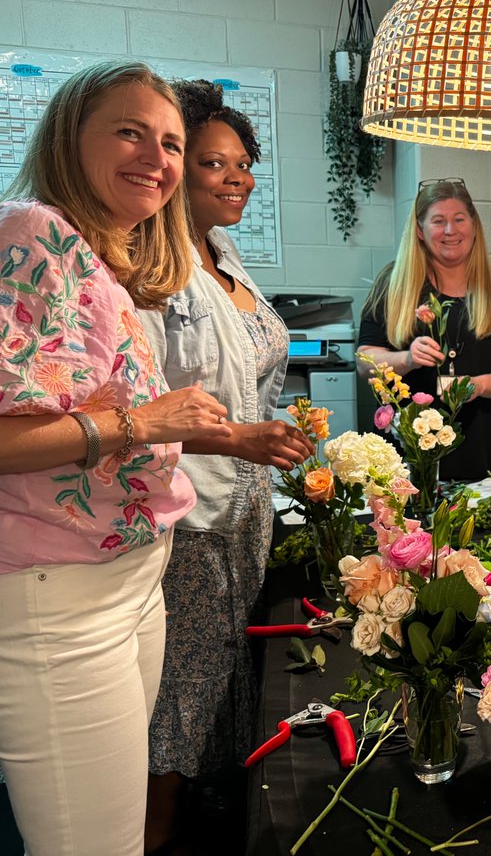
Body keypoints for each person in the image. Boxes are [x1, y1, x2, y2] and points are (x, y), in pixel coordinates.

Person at [0, 60, 233, 855]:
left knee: (116, 828)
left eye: (170, 142)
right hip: (59, 594)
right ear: (72, 135)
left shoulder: (100, 260)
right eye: (129, 132)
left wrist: (169, 426)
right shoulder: (33, 234)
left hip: (130, 576)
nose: (157, 158)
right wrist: (141, 422)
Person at [137, 79, 313, 852]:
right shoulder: (149, 268)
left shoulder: (223, 253)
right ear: (176, 175)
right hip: (192, 516)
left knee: (224, 682)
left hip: (247, 510)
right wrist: (240, 437)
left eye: (244, 164)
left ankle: (219, 827)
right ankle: (151, 837)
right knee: (178, 699)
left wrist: (267, 436)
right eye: (214, 163)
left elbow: (244, 378)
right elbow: (138, 415)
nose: (237, 178)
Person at [357, 179, 491, 480]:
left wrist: (476, 386)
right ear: (421, 231)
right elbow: (364, 361)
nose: (450, 231)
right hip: (402, 454)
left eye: (459, 219)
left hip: (475, 450)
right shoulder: (393, 283)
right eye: (439, 221)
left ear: (474, 226)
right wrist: (406, 359)